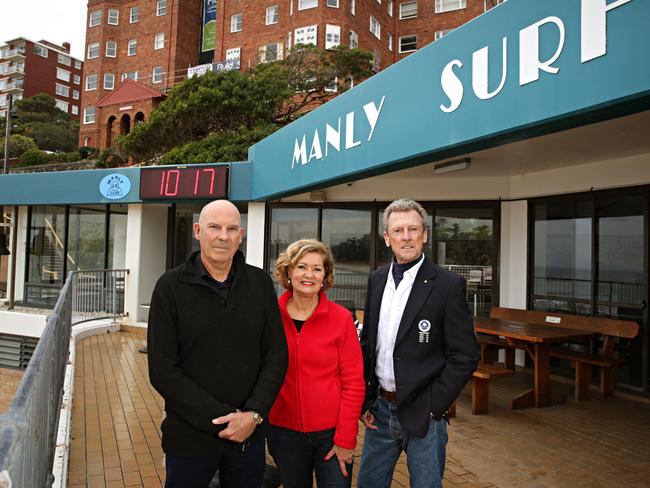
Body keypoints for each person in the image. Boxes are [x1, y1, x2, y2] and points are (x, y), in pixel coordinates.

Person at [147, 199, 288, 488]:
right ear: (198, 231)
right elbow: (163, 369)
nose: (223, 236)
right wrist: (224, 419)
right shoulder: (169, 287)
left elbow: (276, 355)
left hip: (248, 436)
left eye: (231, 228)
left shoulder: (260, 284)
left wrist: (253, 415)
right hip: (189, 440)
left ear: (241, 234)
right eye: (214, 227)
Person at [357, 198, 480, 488]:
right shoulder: (376, 280)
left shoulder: (448, 285)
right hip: (380, 412)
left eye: (413, 229)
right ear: (387, 238)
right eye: (398, 231)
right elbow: (367, 345)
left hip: (424, 416)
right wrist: (365, 398)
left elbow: (465, 355)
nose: (406, 237)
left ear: (425, 235)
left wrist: (434, 405)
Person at [267, 239, 365, 488]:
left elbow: (354, 383)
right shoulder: (270, 316)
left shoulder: (341, 319)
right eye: (301, 267)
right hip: (283, 433)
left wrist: (346, 438)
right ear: (288, 271)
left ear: (325, 276)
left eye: (317, 268)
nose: (308, 274)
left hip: (331, 435)